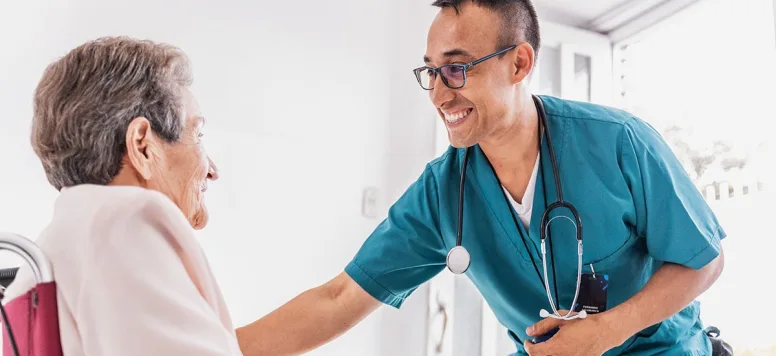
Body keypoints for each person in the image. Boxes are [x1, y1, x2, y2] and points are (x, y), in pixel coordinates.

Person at [236, 1, 727, 355]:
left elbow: (704, 260)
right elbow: (338, 298)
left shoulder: (619, 142)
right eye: (430, 73)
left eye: (455, 70)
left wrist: (608, 331)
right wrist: (207, 348)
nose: (438, 95)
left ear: (519, 63)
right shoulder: (442, 194)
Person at [3, 37, 243, 355]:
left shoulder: (64, 242)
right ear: (142, 145)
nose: (211, 169)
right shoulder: (127, 220)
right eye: (197, 135)